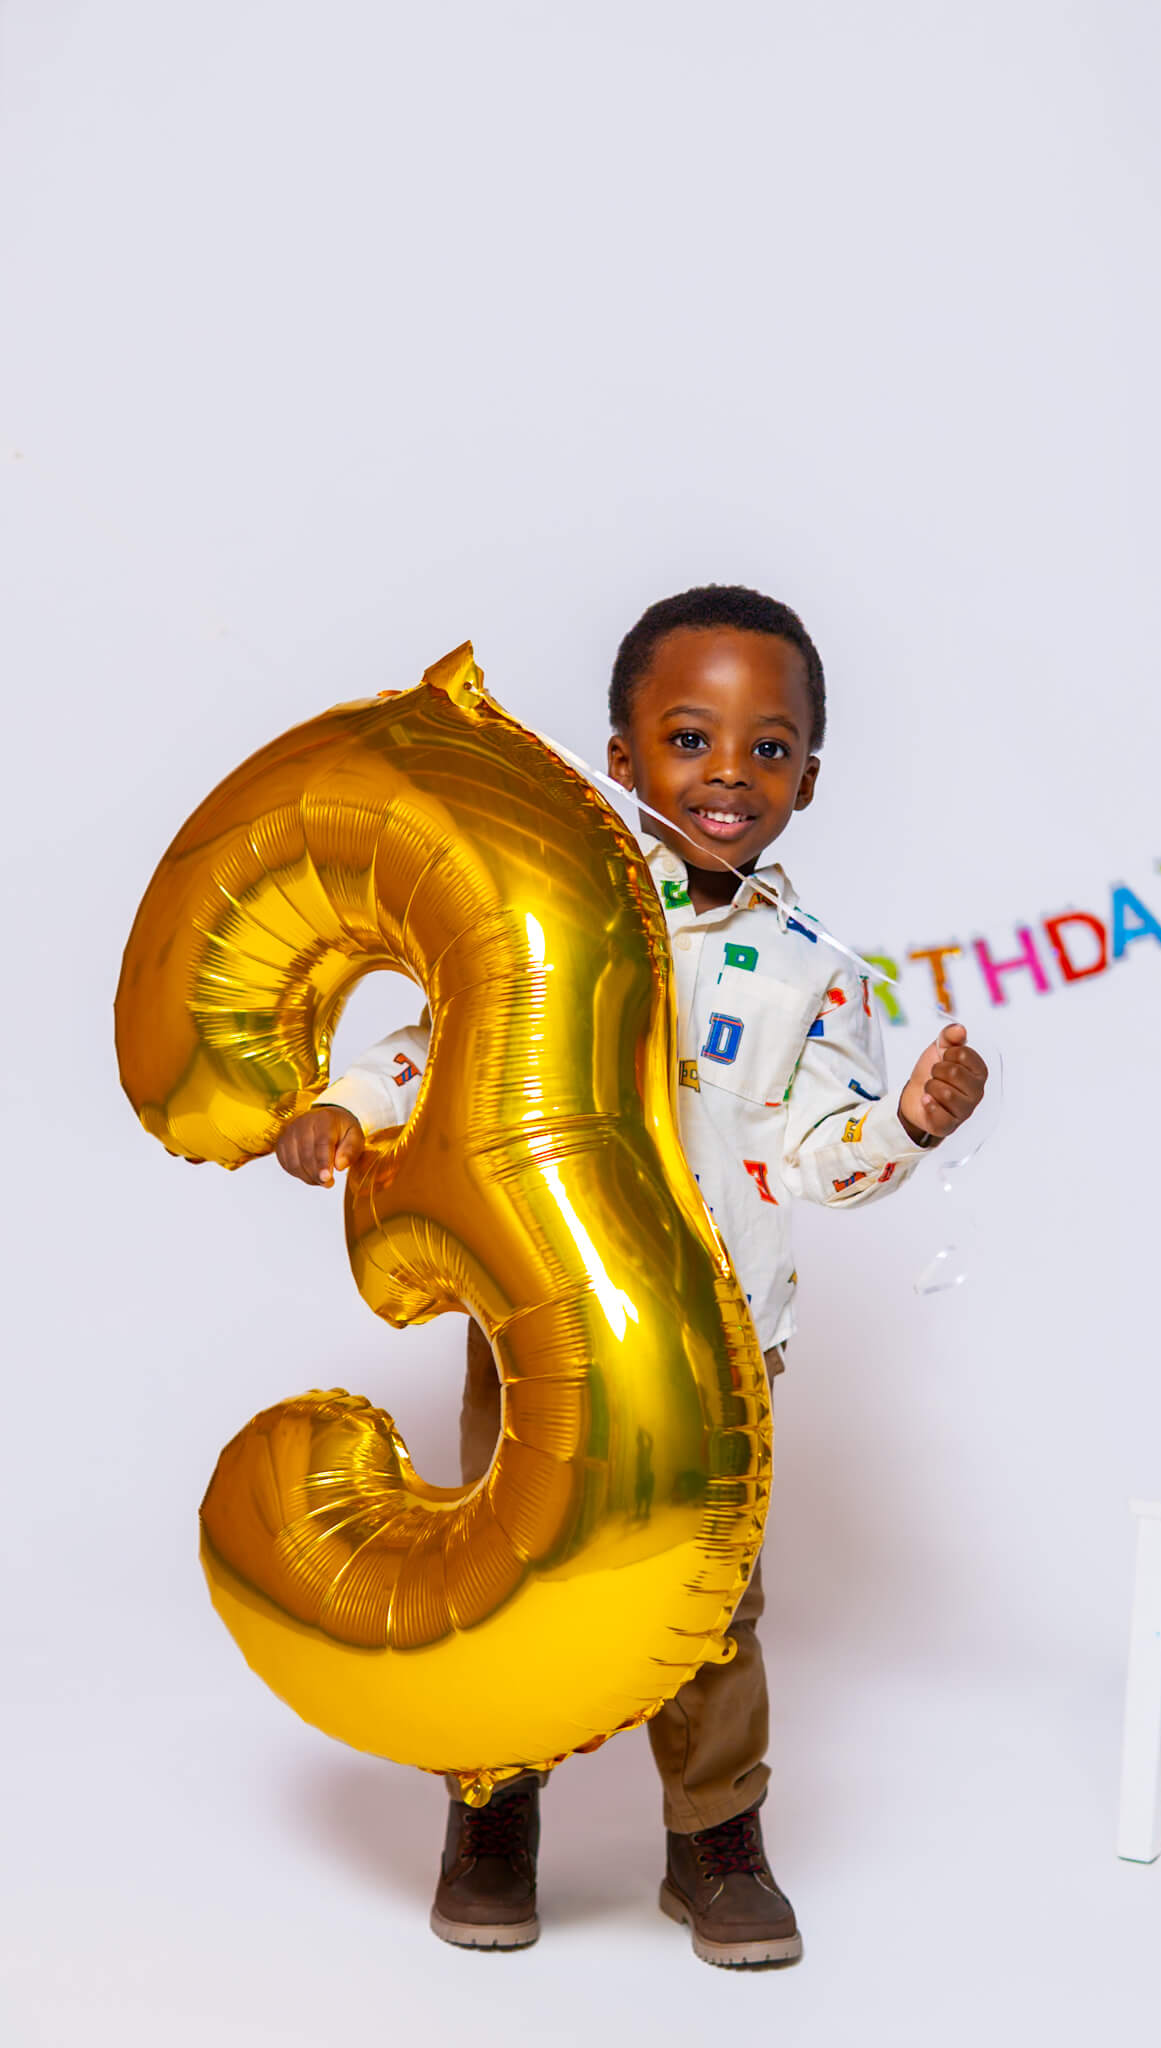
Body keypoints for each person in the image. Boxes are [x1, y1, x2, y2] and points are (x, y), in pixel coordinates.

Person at [274, 586, 987, 1969]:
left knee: (708, 1600)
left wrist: (901, 1122)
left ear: (807, 779)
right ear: (619, 757)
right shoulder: (560, 910)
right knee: (508, 1570)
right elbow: (445, 1037)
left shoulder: (812, 975)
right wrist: (354, 1107)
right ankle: (493, 1809)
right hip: (537, 1326)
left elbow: (807, 1154)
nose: (726, 771)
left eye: (766, 747)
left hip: (716, 1347)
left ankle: (713, 1837)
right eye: (686, 736)